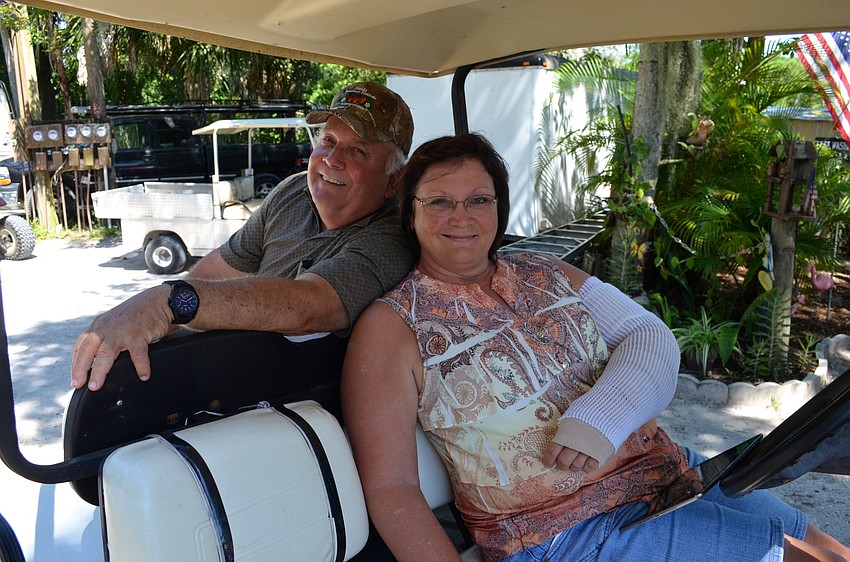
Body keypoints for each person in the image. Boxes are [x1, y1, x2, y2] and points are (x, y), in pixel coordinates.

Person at [341, 133, 850, 562]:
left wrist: (601, 417)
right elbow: (391, 488)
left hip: (665, 473)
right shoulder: (391, 327)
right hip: (561, 535)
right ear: (411, 214)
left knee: (818, 543)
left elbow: (649, 337)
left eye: (479, 198)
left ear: (499, 205)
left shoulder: (548, 272)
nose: (462, 215)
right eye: (439, 201)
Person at [71, 81, 415, 392]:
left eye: (358, 151)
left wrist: (169, 303)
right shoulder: (293, 192)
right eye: (328, 141)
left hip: (304, 404)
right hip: (239, 381)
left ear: (394, 181)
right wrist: (152, 319)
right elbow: (213, 273)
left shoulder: (394, 233)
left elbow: (307, 305)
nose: (332, 160)